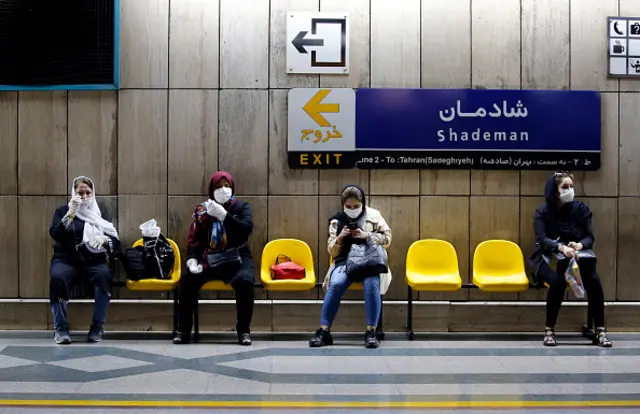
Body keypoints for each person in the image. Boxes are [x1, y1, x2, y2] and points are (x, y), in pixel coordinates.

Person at [173, 171, 255, 345]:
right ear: (211, 189)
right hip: (209, 258)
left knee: (246, 281)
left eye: (227, 186)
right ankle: (184, 330)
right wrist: (192, 260)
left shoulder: (242, 207)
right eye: (218, 186)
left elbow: (245, 230)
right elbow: (194, 240)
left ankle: (244, 330)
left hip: (237, 257)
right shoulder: (202, 210)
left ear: (233, 188)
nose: (223, 190)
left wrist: (224, 216)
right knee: (187, 280)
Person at [531, 172, 612, 347]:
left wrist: (579, 245)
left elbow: (589, 237)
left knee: (593, 280)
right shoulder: (542, 212)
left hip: (576, 258)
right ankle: (549, 330)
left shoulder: (581, 210)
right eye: (565, 187)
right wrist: (560, 247)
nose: (569, 191)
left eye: (571, 187)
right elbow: (542, 239)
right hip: (547, 259)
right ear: (554, 191)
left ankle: (600, 330)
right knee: (558, 280)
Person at [309, 185, 392, 349]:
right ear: (343, 205)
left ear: (362, 203)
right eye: (348, 207)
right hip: (344, 260)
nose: (352, 210)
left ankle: (371, 331)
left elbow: (387, 238)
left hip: (369, 261)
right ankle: (324, 330)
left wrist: (367, 235)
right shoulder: (337, 221)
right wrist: (340, 238)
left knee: (371, 285)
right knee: (336, 284)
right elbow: (331, 250)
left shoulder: (374, 216)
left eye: (356, 206)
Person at [49, 176, 119, 344]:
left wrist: (105, 240)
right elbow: (55, 233)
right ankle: (60, 328)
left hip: (93, 260)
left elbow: (115, 241)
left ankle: (97, 326)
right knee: (58, 277)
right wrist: (70, 214)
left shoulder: (98, 213)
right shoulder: (62, 211)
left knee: (104, 277)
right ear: (74, 193)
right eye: (81, 193)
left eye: (88, 192)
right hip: (66, 259)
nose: (85, 196)